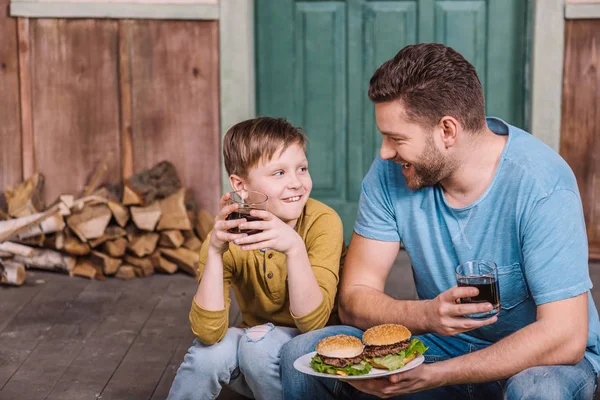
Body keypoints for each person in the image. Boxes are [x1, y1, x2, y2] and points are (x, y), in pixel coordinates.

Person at [280, 43, 600, 399]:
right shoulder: (390, 173)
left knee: (539, 390)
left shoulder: (541, 184)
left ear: (448, 130)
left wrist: (436, 376)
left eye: (396, 138)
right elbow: (354, 298)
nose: (385, 152)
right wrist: (429, 316)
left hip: (538, 360)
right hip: (441, 349)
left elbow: (565, 336)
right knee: (305, 354)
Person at [167, 117, 345, 400]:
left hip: (315, 353)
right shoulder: (229, 234)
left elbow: (313, 324)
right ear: (241, 186)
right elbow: (208, 332)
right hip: (257, 345)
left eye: (302, 169)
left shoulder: (323, 222)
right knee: (207, 356)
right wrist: (214, 252)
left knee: (256, 345)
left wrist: (294, 248)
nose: (296, 183)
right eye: (279, 173)